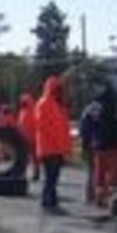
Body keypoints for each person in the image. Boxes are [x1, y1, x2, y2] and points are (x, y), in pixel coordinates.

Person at [35, 76, 71, 213]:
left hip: (54, 147)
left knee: (53, 176)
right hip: (50, 147)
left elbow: (62, 127)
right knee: (51, 176)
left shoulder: (56, 104)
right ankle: (47, 200)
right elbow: (46, 127)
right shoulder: (44, 103)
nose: (60, 93)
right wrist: (58, 144)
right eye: (58, 90)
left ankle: (51, 199)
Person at [90, 86, 117, 209]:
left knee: (100, 173)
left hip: (99, 145)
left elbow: (90, 125)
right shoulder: (115, 109)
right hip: (112, 145)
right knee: (114, 173)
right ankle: (109, 198)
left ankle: (99, 197)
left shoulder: (95, 108)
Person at [78, 99, 102, 204]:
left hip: (86, 143)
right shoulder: (97, 109)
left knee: (91, 171)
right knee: (96, 170)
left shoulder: (86, 111)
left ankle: (89, 194)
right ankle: (93, 195)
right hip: (94, 143)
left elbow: (82, 130)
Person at [16, 93, 41, 182]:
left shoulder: (27, 112)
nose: (22, 103)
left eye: (24, 101)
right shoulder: (24, 112)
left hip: (30, 138)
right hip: (28, 138)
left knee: (30, 158)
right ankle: (29, 173)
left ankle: (34, 173)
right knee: (29, 158)